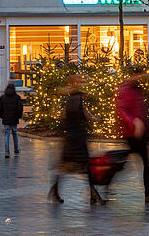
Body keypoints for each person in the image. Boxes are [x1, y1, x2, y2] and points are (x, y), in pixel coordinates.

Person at [50, 75, 104, 205]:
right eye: (79, 81)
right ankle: (93, 195)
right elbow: (87, 114)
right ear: (74, 83)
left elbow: (63, 115)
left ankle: (92, 195)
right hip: (77, 138)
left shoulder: (71, 99)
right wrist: (97, 119)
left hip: (71, 137)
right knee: (78, 166)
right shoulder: (77, 99)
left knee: (69, 167)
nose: (81, 83)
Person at [115, 67, 149, 203]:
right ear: (134, 75)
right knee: (131, 162)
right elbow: (122, 110)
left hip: (140, 132)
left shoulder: (137, 89)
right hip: (132, 133)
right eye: (140, 75)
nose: (142, 77)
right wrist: (134, 123)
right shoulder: (126, 90)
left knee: (145, 162)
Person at [0, 82, 23, 158]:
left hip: (6, 118)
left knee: (7, 134)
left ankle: (7, 151)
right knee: (14, 133)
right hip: (14, 118)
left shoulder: (2, 98)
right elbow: (20, 108)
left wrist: (1, 116)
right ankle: (16, 149)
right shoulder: (17, 97)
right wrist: (19, 116)